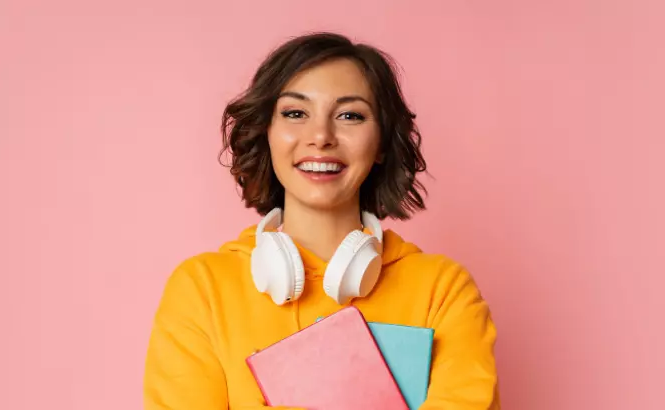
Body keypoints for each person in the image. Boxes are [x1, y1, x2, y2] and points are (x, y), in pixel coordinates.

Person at [143, 32, 500, 410]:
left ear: (380, 143)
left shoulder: (443, 292)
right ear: (267, 133)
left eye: (350, 115)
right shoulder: (202, 291)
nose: (320, 137)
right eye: (295, 113)